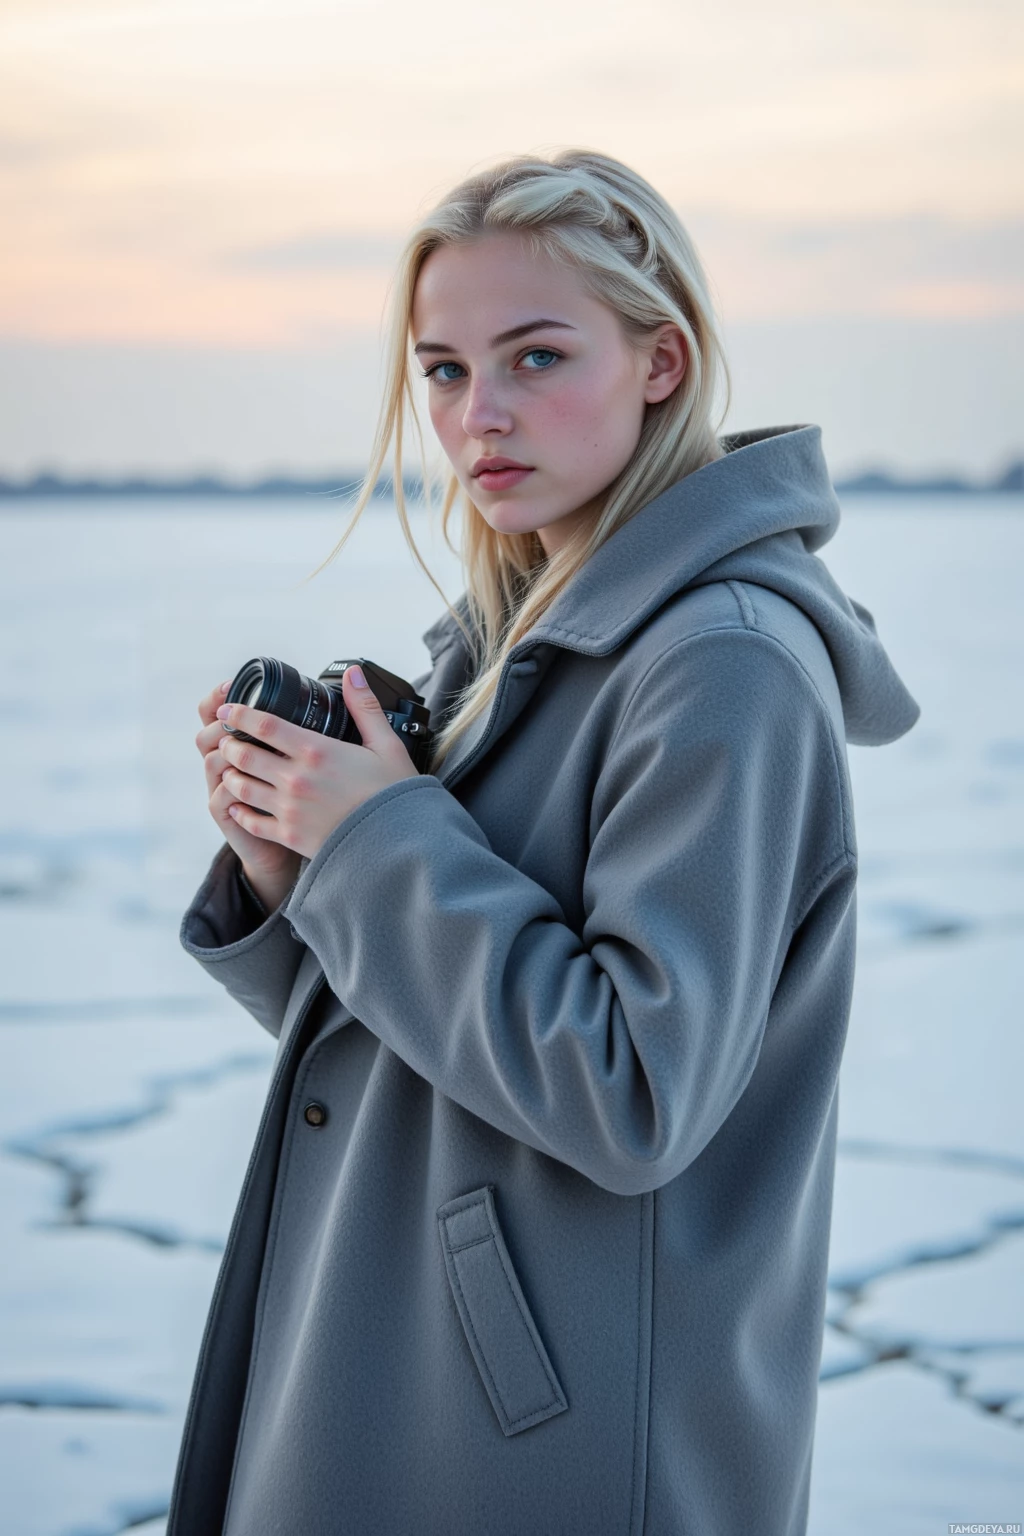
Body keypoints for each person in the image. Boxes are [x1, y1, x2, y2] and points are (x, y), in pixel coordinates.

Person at [167, 149, 919, 1536]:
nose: (479, 413)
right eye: (444, 369)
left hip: (554, 1444)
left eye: (535, 355)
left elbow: (633, 1089)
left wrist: (382, 838)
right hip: (405, 1377)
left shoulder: (720, 665)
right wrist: (304, 869)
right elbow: (440, 1038)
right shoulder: (526, 635)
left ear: (661, 360)